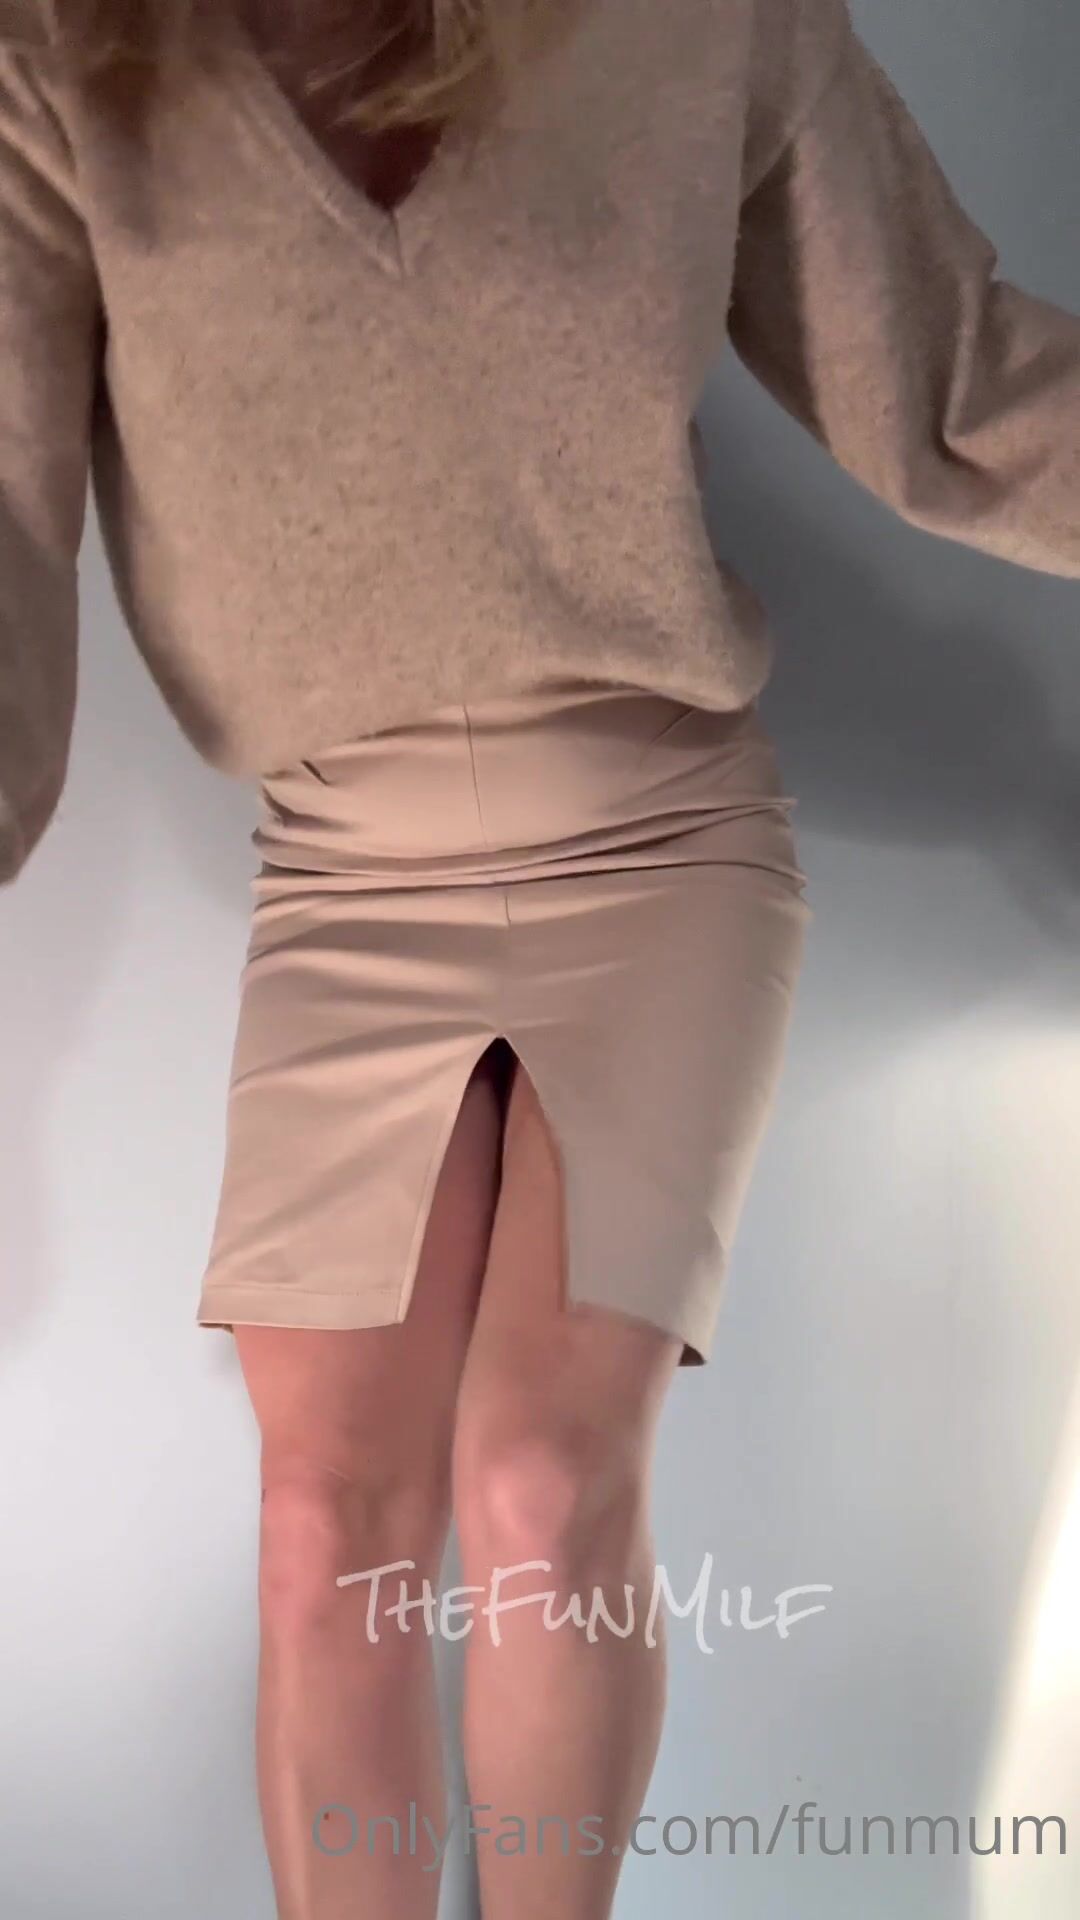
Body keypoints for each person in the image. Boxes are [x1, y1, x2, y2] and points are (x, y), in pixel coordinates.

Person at [0, 1, 1076, 1914]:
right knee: (324, 1530)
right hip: (345, 874)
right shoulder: (60, 56)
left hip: (658, 835)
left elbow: (958, 389)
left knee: (540, 1491)